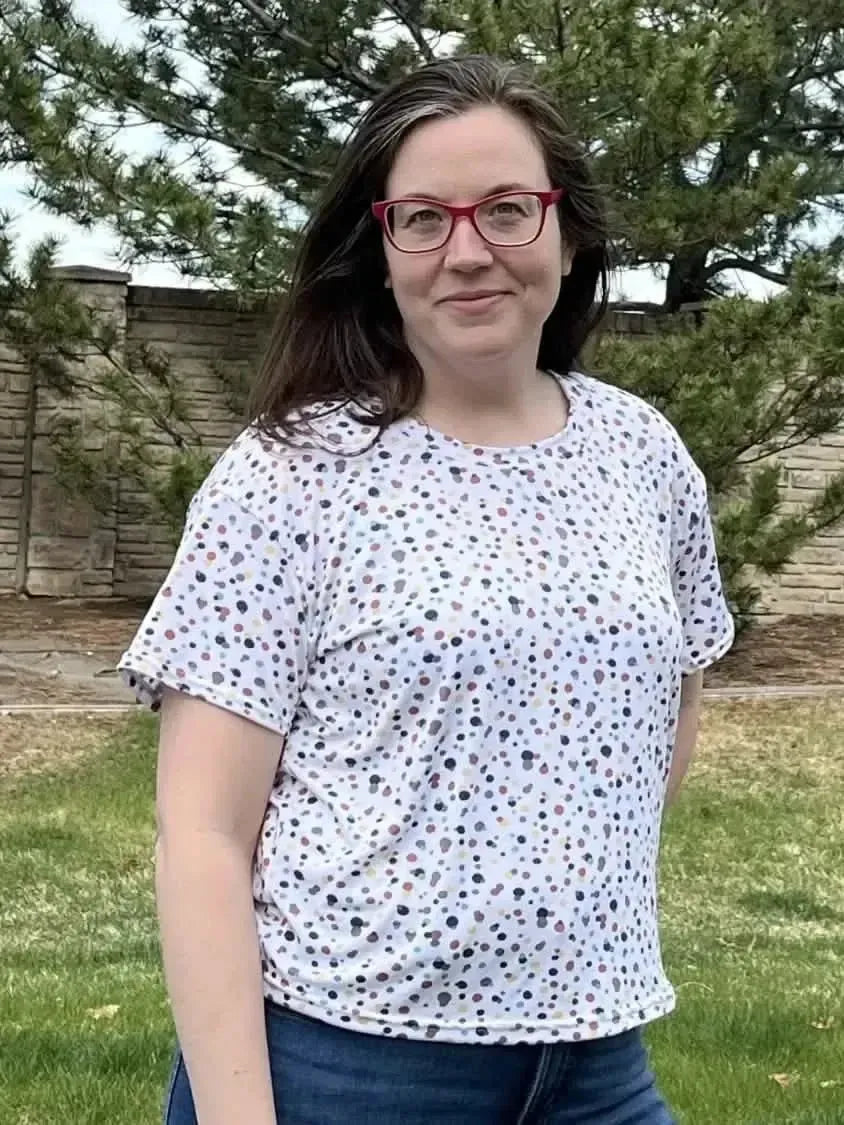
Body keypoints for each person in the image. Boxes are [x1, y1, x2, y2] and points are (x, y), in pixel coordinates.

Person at [119, 53, 734, 1125]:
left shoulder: (642, 455)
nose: (467, 253)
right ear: (383, 246)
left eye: (506, 210)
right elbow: (202, 834)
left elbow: (669, 700)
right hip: (345, 1070)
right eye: (424, 219)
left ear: (566, 231)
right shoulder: (288, 474)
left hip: (595, 1062)